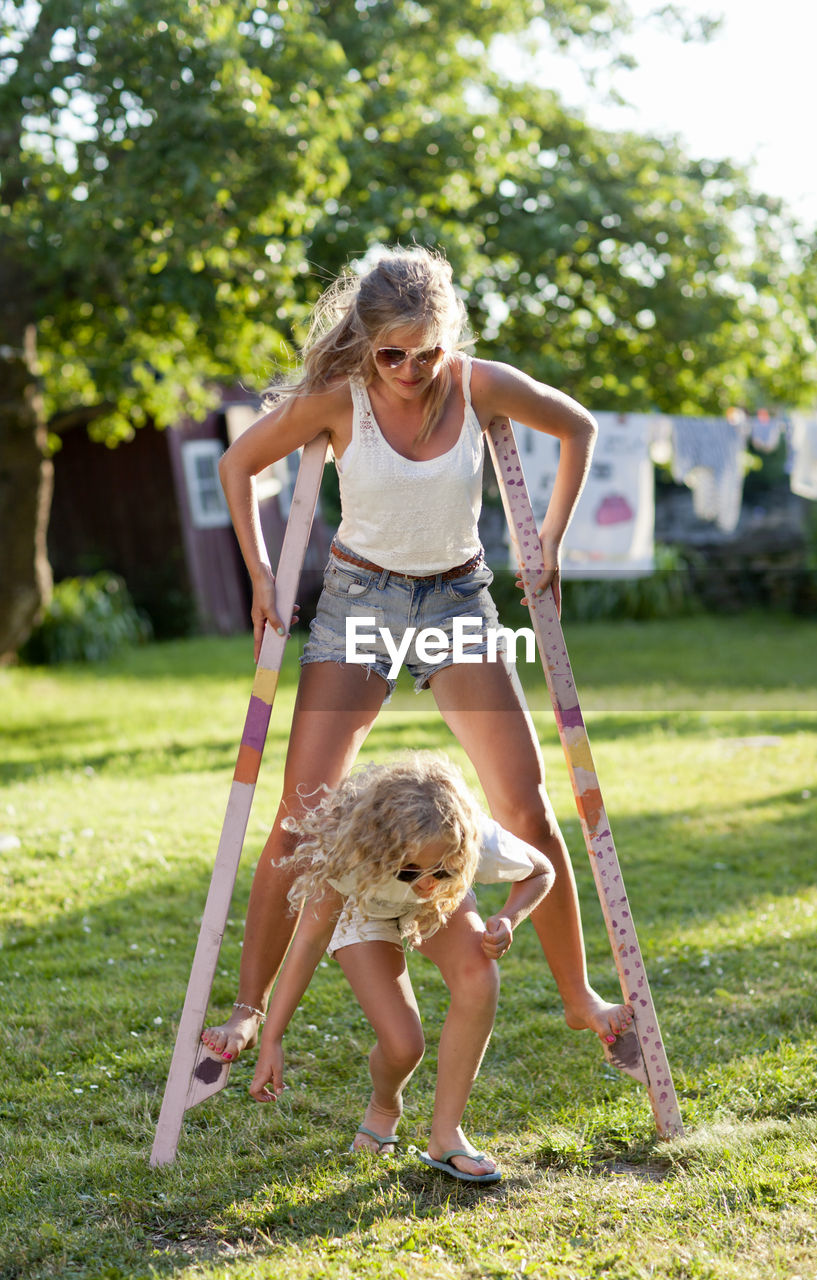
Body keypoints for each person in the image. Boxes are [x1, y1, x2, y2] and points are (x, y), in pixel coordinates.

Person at [201, 242, 633, 1068]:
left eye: (424, 351)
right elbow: (237, 462)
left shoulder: (479, 384)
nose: (407, 369)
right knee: (301, 818)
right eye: (390, 353)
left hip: (455, 601)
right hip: (359, 601)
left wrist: (548, 542)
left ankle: (580, 999)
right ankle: (248, 1010)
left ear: (448, 335)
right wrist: (260, 573)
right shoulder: (340, 398)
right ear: (368, 345)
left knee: (525, 804)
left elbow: (577, 426)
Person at [248, 752, 555, 1183]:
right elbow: (310, 941)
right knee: (404, 1046)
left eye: (442, 868)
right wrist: (272, 1038)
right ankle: (385, 1104)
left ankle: (446, 1135)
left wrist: (508, 917)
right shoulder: (352, 855)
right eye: (413, 869)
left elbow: (541, 871)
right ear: (385, 848)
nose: (426, 880)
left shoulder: (469, 840)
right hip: (365, 907)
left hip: (436, 910)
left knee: (479, 977)